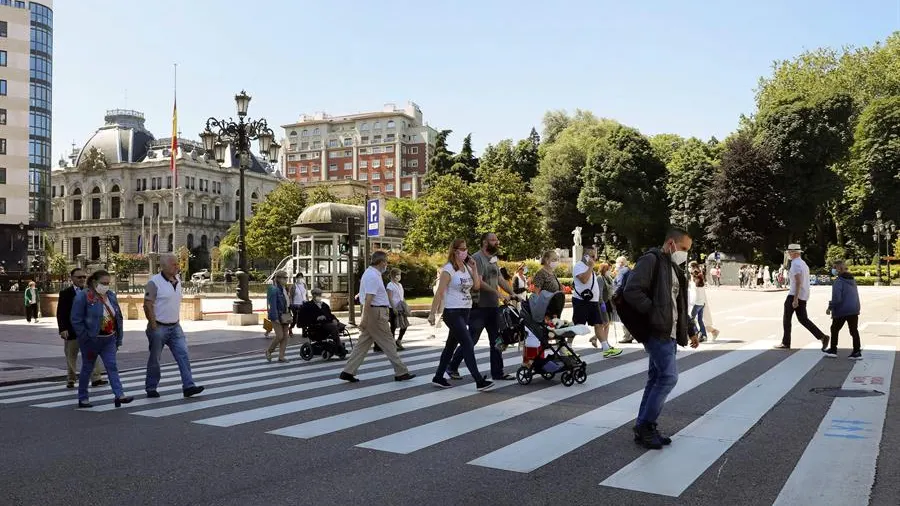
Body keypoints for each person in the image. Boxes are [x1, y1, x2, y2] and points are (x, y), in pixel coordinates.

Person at [623, 228, 699, 450]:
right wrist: (655, 313)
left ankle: (643, 427)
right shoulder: (651, 260)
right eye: (684, 248)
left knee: (656, 378)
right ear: (671, 243)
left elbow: (679, 303)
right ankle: (646, 426)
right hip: (658, 331)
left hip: (670, 332)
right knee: (668, 378)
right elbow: (632, 290)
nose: (686, 253)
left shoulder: (673, 267)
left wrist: (691, 328)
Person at [447, 233, 516, 381]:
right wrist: (499, 294)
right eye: (493, 240)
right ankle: (452, 366)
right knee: (471, 339)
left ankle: (497, 372)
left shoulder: (492, 259)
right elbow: (479, 282)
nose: (497, 242)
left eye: (497, 239)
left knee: (497, 340)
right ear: (485, 242)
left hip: (493, 307)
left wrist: (512, 293)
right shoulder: (477, 258)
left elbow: (499, 278)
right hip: (479, 307)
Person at [428, 239, 494, 391]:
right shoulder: (448, 269)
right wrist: (432, 313)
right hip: (452, 312)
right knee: (467, 343)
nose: (465, 251)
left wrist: (475, 268)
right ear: (455, 250)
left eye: (466, 248)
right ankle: (479, 380)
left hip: (465, 311)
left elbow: (476, 286)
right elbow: (439, 292)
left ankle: (438, 377)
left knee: (450, 346)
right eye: (462, 249)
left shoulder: (466, 267)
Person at [339, 251, 415, 383]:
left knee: (363, 344)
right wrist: (363, 318)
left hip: (374, 312)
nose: (387, 264)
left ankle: (348, 371)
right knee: (389, 343)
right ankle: (401, 372)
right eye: (386, 261)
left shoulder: (372, 274)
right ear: (381, 262)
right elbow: (369, 299)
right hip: (376, 313)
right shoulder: (373, 276)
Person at [143, 254, 204, 399]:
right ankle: (151, 387)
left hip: (175, 326)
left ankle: (188, 386)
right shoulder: (154, 282)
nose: (177, 266)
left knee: (183, 355)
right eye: (174, 264)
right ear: (163, 266)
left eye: (177, 264)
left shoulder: (178, 280)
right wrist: (153, 326)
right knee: (155, 358)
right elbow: (147, 305)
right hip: (159, 326)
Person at [70, 270, 132, 408]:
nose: (106, 286)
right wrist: (85, 337)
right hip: (92, 339)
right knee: (87, 367)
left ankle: (119, 395)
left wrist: (118, 338)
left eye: (108, 283)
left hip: (109, 338)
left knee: (112, 366)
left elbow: (118, 317)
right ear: (94, 282)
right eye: (103, 283)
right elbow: (76, 319)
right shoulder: (84, 296)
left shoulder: (110, 296)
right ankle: (83, 397)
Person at [57, 268, 104, 389]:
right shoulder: (65, 293)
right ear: (72, 278)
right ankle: (71, 379)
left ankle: (96, 378)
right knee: (71, 355)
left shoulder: (91, 292)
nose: (82, 279)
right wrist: (62, 329)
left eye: (84, 277)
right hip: (72, 330)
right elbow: (61, 312)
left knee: (92, 354)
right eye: (79, 277)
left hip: (89, 330)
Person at [776, 244, 829, 350]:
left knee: (787, 319)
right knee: (803, 319)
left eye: (790, 252)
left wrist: (795, 299)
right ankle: (822, 337)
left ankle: (786, 342)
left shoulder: (795, 264)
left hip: (794, 295)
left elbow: (798, 282)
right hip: (803, 295)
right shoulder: (803, 263)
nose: (789, 254)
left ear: (795, 253)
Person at [573, 248, 622, 357]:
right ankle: (565, 346)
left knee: (599, 324)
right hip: (582, 301)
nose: (595, 259)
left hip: (593, 302)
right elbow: (583, 280)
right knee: (578, 325)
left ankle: (606, 348)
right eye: (593, 256)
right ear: (586, 256)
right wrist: (590, 266)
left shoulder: (588, 268)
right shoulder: (579, 266)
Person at [825, 260, 862, 360]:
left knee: (834, 329)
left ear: (838, 269)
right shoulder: (852, 280)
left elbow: (837, 298)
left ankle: (833, 350)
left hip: (842, 309)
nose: (833, 269)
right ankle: (857, 351)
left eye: (834, 267)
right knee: (854, 330)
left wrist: (830, 307)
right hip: (854, 308)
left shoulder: (838, 281)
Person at [300, 287, 348, 359]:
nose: (319, 296)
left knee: (340, 326)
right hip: (317, 325)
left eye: (320, 294)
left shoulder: (324, 305)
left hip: (328, 322)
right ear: (313, 295)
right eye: (317, 294)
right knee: (333, 327)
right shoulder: (308, 305)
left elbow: (330, 315)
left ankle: (337, 345)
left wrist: (335, 319)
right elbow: (306, 318)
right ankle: (339, 346)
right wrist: (317, 318)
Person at [266, 270, 293, 363]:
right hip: (277, 315)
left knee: (285, 336)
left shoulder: (285, 289)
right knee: (280, 336)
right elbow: (272, 305)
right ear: (279, 279)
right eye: (285, 278)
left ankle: (281, 356)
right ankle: (269, 351)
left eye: (287, 278)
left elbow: (287, 303)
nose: (286, 280)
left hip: (285, 315)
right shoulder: (273, 289)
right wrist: (275, 317)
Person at [613, 256, 634, 344]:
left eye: (617, 263)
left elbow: (620, 285)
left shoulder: (621, 272)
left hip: (622, 299)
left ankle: (626, 336)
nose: (616, 265)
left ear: (620, 263)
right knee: (630, 317)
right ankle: (632, 334)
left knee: (623, 318)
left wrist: (614, 295)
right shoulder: (630, 270)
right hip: (630, 297)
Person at [386, 268, 409, 351]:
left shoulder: (400, 285)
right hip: (393, 308)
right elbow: (389, 297)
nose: (399, 276)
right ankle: (392, 344)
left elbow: (402, 297)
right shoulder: (390, 285)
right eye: (398, 274)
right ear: (393, 275)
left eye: (400, 274)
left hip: (401, 307)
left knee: (404, 325)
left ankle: (399, 340)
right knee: (393, 326)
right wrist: (393, 308)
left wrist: (406, 306)